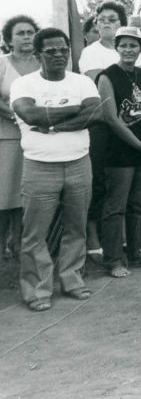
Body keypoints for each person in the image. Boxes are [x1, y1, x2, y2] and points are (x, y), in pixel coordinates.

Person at [10, 28, 102, 312]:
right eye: (51, 51)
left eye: (64, 49)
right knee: (35, 232)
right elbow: (30, 114)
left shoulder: (82, 82)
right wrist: (76, 110)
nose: (60, 55)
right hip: (39, 166)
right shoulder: (24, 84)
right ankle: (38, 290)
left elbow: (96, 113)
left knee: (76, 226)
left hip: (78, 163)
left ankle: (72, 280)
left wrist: (52, 125)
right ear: (38, 55)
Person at [96, 27, 141, 278]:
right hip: (119, 150)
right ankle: (113, 259)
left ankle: (138, 253)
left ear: (140, 48)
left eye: (133, 45)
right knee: (116, 206)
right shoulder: (107, 76)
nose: (128, 50)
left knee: (139, 203)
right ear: (116, 47)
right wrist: (137, 143)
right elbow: (111, 118)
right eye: (123, 45)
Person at [79, 1, 128, 259]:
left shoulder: (128, 47)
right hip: (101, 123)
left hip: (129, 123)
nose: (107, 23)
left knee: (121, 181)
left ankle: (119, 234)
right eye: (102, 19)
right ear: (96, 24)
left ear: (121, 23)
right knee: (98, 180)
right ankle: (92, 236)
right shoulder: (91, 52)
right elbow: (99, 85)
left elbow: (140, 81)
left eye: (113, 19)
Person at [0, 15, 40, 258]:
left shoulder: (42, 63)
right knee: (4, 195)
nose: (27, 37)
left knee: (26, 195)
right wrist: (18, 116)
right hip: (7, 138)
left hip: (37, 137)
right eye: (21, 33)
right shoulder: (2, 63)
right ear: (9, 39)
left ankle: (20, 245)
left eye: (30, 32)